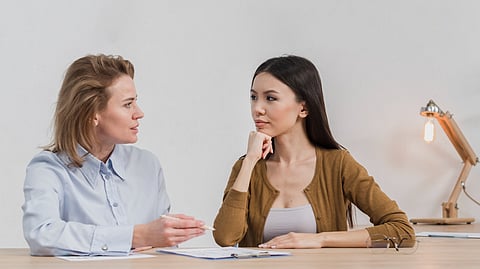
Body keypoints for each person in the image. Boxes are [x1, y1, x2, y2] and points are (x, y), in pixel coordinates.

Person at [213, 55, 415, 249]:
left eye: (270, 98)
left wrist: (320, 240)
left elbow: (402, 231)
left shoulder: (338, 164)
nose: (257, 108)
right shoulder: (247, 167)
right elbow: (225, 237)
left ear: (303, 108)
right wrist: (249, 161)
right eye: (253, 97)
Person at [22, 54, 206, 256]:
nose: (139, 113)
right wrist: (136, 236)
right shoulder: (47, 169)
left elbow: (161, 251)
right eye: (128, 104)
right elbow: (42, 234)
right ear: (92, 113)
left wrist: (171, 235)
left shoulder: (147, 165)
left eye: (136, 102)